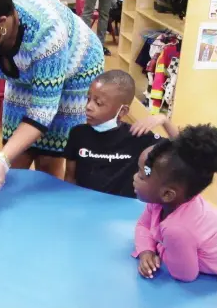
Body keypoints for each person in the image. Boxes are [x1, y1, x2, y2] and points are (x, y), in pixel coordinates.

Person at [0, 0, 105, 199]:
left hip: (76, 70)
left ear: (2, 22)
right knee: (15, 156)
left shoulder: (46, 33)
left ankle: (44, 213)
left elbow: (42, 111)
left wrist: (2, 158)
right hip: (21, 72)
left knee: (48, 155)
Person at [63, 70, 179, 198]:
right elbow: (69, 176)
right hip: (84, 205)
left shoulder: (138, 136)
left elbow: (182, 148)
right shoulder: (78, 134)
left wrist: (164, 120)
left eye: (98, 103)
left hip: (122, 211)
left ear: (122, 111)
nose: (88, 106)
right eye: (88, 99)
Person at [132, 124, 217, 282]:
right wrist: (146, 251)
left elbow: (185, 275)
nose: (135, 177)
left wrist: (159, 246)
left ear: (167, 194)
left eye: (142, 176)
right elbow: (143, 226)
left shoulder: (176, 230)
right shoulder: (161, 202)